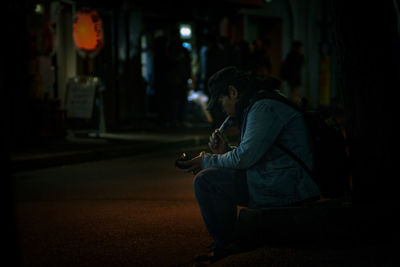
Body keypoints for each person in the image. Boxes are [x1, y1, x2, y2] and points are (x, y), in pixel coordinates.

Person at [177, 66, 320, 265]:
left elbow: (244, 157)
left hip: (288, 187)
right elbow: (254, 154)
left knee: (206, 180)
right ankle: (228, 242)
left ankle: (225, 246)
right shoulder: (259, 103)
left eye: (221, 100)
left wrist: (206, 160)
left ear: (233, 92)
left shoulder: (263, 107)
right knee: (212, 175)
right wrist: (225, 151)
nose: (222, 108)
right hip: (279, 178)